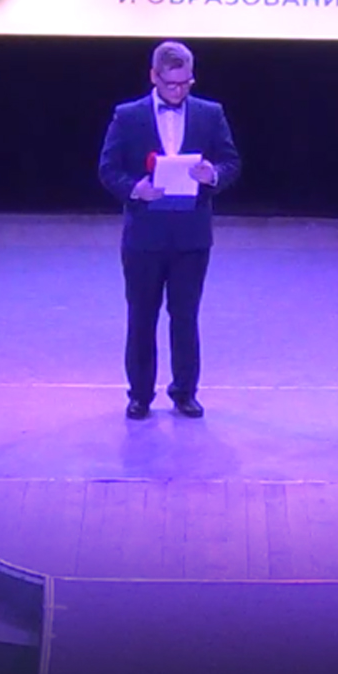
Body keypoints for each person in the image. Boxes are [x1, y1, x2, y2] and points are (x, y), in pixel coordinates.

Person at [98, 41, 241, 420]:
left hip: (192, 237)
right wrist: (135, 189)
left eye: (185, 83)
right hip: (144, 237)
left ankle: (184, 392)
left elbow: (231, 162)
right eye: (171, 84)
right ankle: (140, 395)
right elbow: (108, 168)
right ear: (154, 77)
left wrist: (213, 174)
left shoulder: (210, 114)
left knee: (185, 317)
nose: (178, 91)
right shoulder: (128, 116)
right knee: (141, 318)